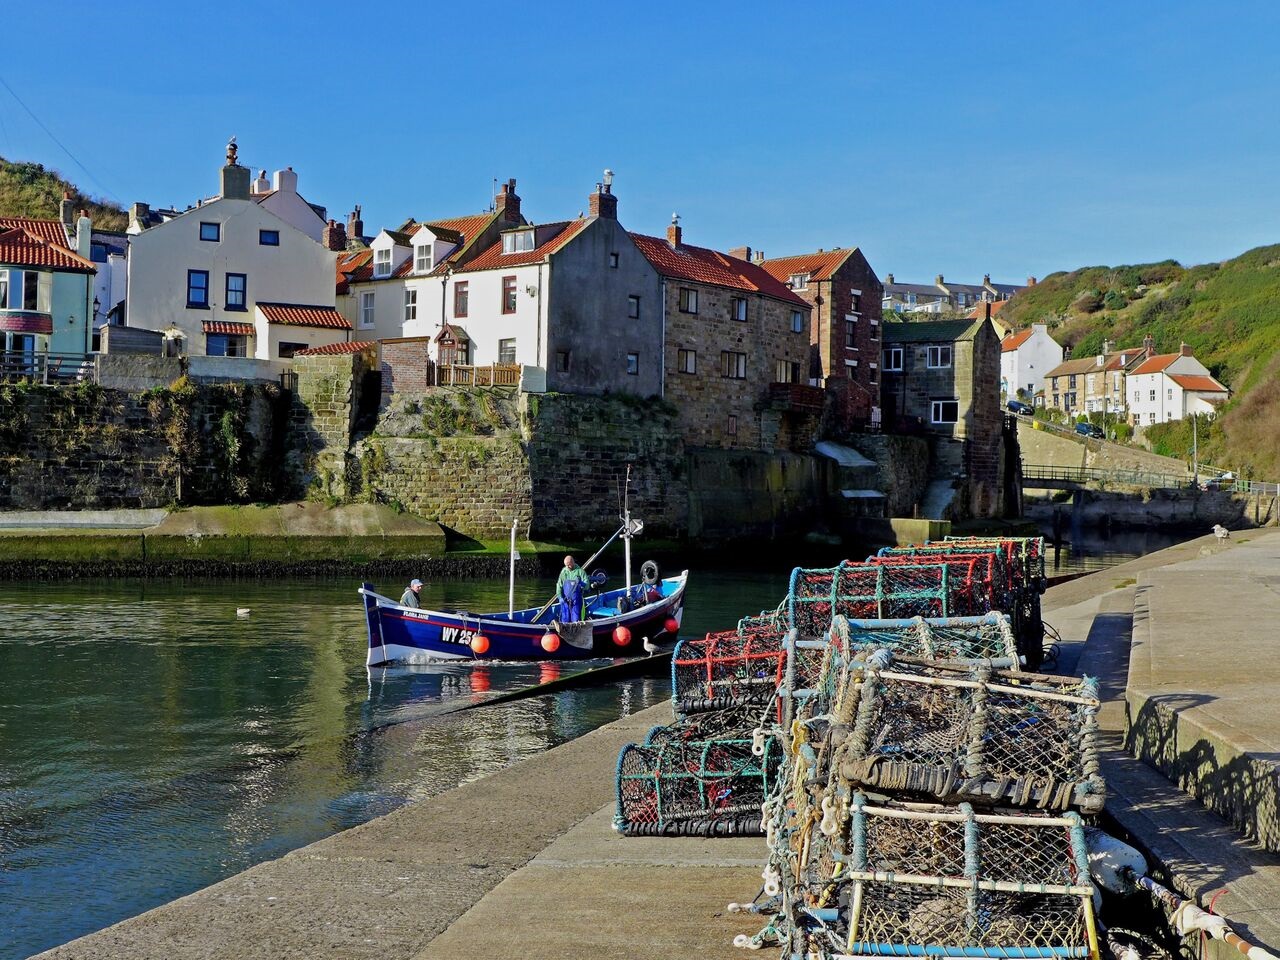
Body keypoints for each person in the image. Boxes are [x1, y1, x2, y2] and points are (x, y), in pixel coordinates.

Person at [556, 555, 590, 622]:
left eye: (568, 565)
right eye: (566, 565)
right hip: (565, 601)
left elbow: (587, 586)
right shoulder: (564, 572)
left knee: (576, 619)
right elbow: (559, 586)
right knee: (565, 619)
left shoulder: (580, 571)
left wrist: (581, 583)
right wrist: (560, 597)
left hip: (576, 601)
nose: (567, 567)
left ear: (572, 562)